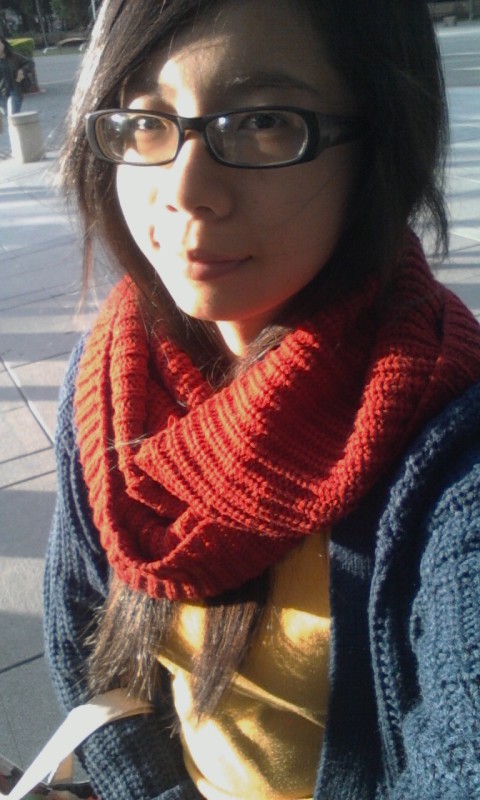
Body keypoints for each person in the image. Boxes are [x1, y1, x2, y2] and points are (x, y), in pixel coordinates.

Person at [43, 0, 480, 798]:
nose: (186, 191)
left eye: (263, 122)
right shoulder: (112, 378)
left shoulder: (448, 444)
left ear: (381, 140)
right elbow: (80, 634)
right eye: (143, 122)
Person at [0, 36, 25, 116]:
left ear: (4, 44)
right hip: (2, 93)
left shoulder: (13, 57)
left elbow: (30, 63)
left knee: (14, 115)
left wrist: (22, 71)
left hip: (15, 89)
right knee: (7, 115)